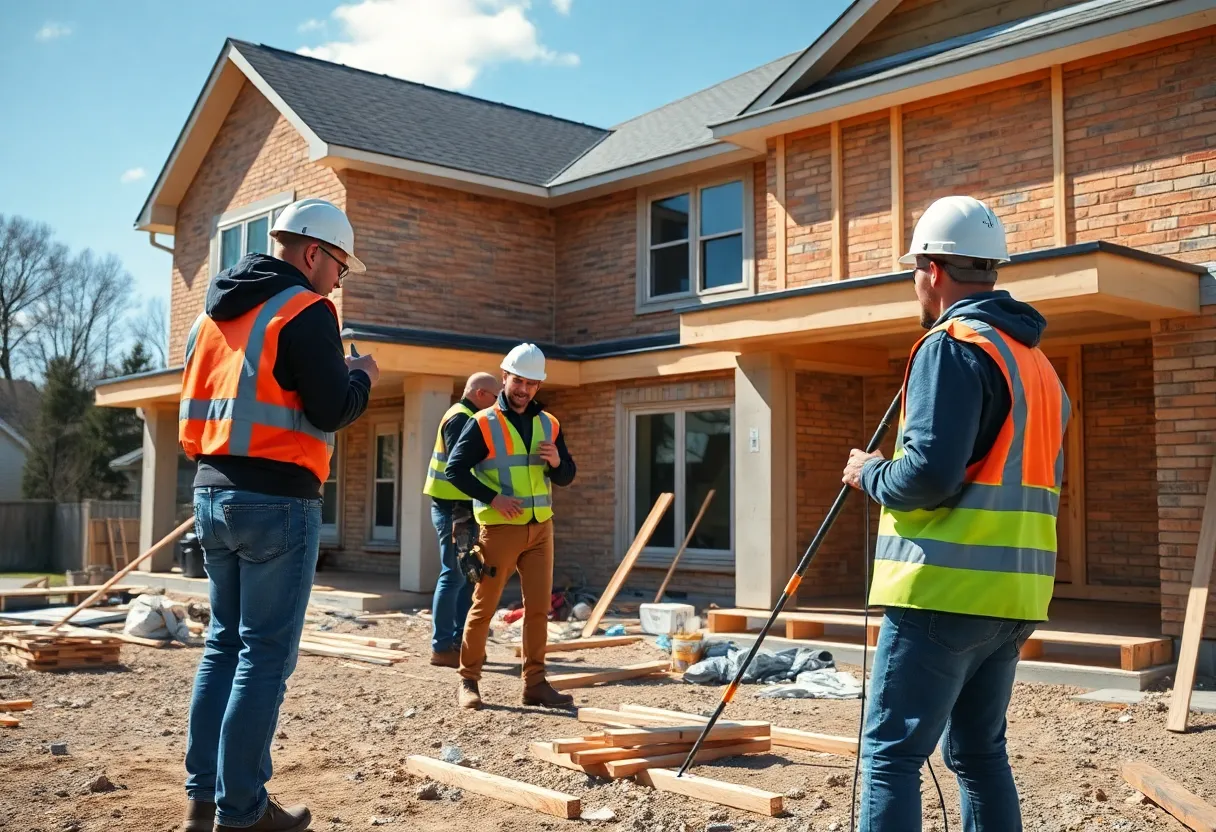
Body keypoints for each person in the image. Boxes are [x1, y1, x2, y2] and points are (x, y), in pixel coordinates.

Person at [841, 195, 1069, 831]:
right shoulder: (1037, 364)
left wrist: (869, 473)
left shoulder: (952, 345)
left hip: (942, 590)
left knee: (891, 756)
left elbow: (928, 475)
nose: (915, 282)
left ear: (934, 270)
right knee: (978, 753)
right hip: (1015, 595)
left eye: (915, 269)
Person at [178, 198, 380, 832]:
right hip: (278, 501)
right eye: (340, 267)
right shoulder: (305, 309)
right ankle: (242, 810)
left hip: (212, 494)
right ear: (313, 252)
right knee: (263, 657)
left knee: (223, 647)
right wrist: (360, 376)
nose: (338, 282)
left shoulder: (211, 316)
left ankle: (203, 801)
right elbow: (330, 408)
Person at [443, 342, 578, 709]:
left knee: (538, 609)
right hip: (500, 529)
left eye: (531, 383)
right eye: (518, 381)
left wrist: (557, 462)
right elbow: (454, 470)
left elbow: (566, 476)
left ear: (539, 385)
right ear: (504, 377)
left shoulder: (549, 423)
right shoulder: (482, 422)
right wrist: (493, 498)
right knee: (484, 606)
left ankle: (535, 684)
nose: (524, 389)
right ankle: (468, 681)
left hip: (541, 529)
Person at [423, 371, 503, 667]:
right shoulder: (460, 418)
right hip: (453, 509)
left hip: (461, 509)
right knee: (454, 576)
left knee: (467, 574)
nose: (498, 404)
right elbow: (460, 466)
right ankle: (443, 646)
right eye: (496, 397)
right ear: (480, 394)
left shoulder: (467, 416)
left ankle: (460, 642)